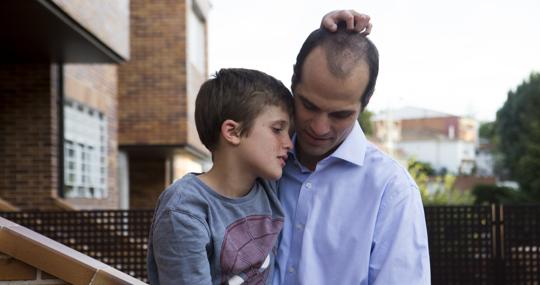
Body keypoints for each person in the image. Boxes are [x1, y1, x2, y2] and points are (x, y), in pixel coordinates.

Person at [273, 14, 431, 285]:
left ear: (365, 103)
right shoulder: (258, 159)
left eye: (340, 115)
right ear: (292, 82)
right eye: (309, 106)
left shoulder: (391, 191)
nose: (320, 128)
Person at [147, 68, 294, 284]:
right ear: (233, 132)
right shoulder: (185, 211)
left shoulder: (267, 187)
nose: (289, 144)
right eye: (278, 129)